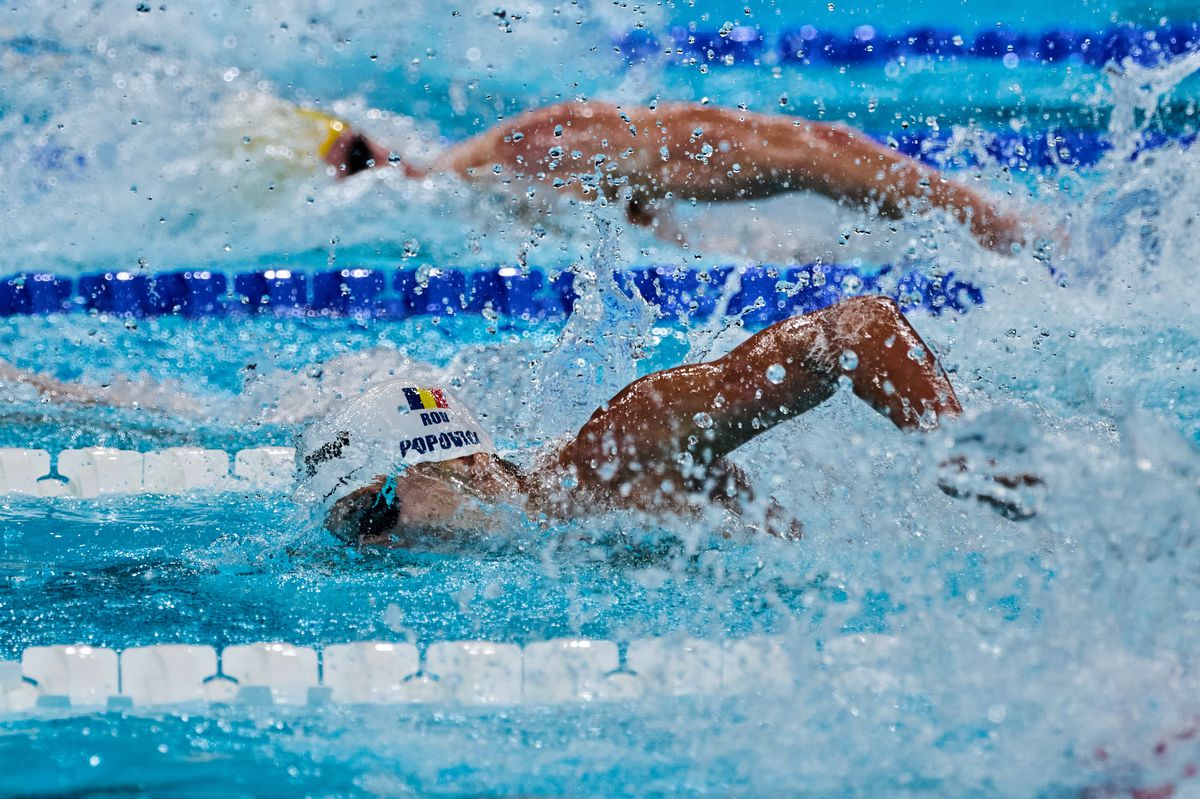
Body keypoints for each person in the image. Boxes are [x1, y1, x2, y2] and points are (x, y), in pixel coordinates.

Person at [299, 295, 1037, 550]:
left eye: (374, 514)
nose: (372, 548)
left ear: (462, 462)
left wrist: (957, 452)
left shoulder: (619, 451)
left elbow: (858, 330)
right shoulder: (534, 537)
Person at [314, 99, 1026, 253]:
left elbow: (612, 207)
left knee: (818, 154)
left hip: (658, 153)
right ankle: (1002, 228)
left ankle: (996, 227)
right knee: (818, 153)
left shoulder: (491, 162)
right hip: (662, 153)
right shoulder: (495, 161)